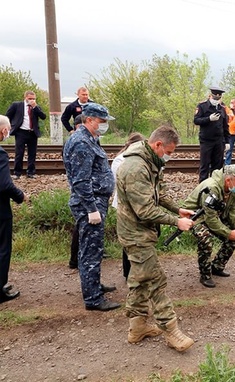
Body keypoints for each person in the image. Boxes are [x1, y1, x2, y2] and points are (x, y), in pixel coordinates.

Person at [115, 125, 195, 351]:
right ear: (158, 144)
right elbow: (145, 210)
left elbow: (159, 193)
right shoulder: (135, 167)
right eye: (168, 151)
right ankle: (171, 331)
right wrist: (176, 222)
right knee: (155, 280)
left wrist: (177, 209)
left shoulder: (151, 160)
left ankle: (137, 327)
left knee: (140, 279)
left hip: (142, 231)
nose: (169, 156)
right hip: (135, 234)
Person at [62, 103, 120, 311]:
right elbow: (80, 180)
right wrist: (91, 208)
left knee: (93, 249)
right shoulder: (81, 143)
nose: (104, 125)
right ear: (89, 120)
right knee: (90, 251)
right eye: (102, 121)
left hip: (96, 201)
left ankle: (93, 285)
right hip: (90, 204)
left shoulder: (90, 139)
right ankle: (93, 298)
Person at [182, 164, 235, 288]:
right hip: (194, 217)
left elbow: (230, 210)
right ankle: (205, 274)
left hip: (212, 215)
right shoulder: (212, 187)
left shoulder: (232, 189)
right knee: (206, 238)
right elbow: (210, 219)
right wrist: (228, 233)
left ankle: (217, 267)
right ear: (228, 180)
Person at [0, 115, 28, 303]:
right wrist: (21, 196)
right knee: (2, 249)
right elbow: (4, 185)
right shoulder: (0, 154)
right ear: (3, 130)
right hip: (0, 212)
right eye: (8, 129)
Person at [110, 132, 145, 280]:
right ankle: (128, 273)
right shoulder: (120, 160)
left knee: (140, 239)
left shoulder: (140, 160)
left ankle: (139, 270)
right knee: (129, 241)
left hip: (140, 203)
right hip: (125, 205)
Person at [6, 90, 47, 179]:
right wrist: (10, 126)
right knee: (19, 153)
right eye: (29, 98)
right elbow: (8, 115)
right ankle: (17, 172)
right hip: (21, 132)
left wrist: (35, 107)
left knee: (32, 153)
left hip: (32, 132)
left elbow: (43, 116)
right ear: (25, 98)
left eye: (33, 99)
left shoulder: (36, 107)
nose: (31, 100)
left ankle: (30, 172)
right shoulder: (17, 105)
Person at [194, 87, 230, 183]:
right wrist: (208, 119)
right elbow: (196, 120)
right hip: (206, 140)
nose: (216, 99)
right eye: (215, 97)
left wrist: (227, 141)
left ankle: (215, 186)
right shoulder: (202, 106)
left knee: (217, 167)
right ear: (211, 95)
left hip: (219, 141)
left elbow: (225, 125)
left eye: (219, 97)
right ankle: (203, 186)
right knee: (204, 165)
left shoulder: (222, 108)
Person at [68, 114, 84, 270]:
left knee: (81, 226)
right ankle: (75, 259)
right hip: (82, 192)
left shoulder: (82, 140)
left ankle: (77, 258)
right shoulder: (77, 142)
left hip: (83, 191)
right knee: (81, 225)